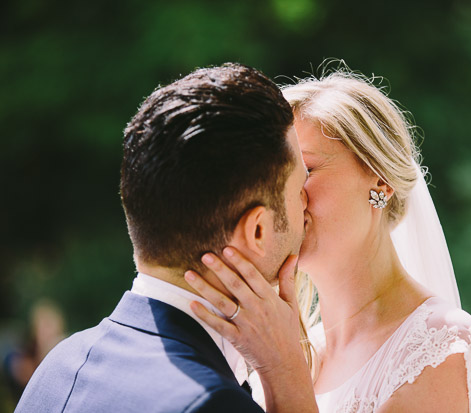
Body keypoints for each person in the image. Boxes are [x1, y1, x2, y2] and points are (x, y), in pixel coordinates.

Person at [15, 63, 317, 413]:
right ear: (257, 231)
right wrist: (287, 376)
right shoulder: (211, 404)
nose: (307, 200)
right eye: (300, 187)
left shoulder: (58, 366)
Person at [185, 68, 471, 412]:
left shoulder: (439, 344)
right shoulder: (289, 344)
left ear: (380, 181)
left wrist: (282, 371)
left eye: (305, 171)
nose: (283, 198)